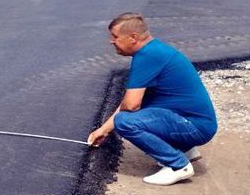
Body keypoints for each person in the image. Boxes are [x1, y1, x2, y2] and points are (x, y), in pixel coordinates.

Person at [88, 12, 217, 186]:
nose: (112, 41)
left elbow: (131, 105)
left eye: (115, 37)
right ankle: (186, 150)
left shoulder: (147, 57)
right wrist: (103, 130)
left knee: (126, 122)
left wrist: (107, 128)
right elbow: (130, 103)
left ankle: (178, 166)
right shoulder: (154, 50)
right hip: (196, 122)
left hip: (195, 126)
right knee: (139, 108)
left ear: (133, 37)